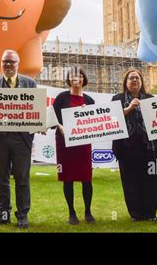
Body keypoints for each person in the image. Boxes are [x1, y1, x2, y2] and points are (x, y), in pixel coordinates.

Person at [0, 50, 37, 229]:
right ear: (1, 63)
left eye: (12, 62)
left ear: (18, 64)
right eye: (5, 62)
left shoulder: (29, 83)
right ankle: (3, 214)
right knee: (1, 179)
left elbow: (35, 110)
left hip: (21, 140)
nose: (8, 65)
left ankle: (22, 215)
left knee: (22, 178)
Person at [111, 68, 157, 222]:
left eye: (137, 78)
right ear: (125, 82)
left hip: (149, 148)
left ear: (141, 82)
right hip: (126, 148)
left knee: (150, 182)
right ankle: (136, 214)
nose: (134, 81)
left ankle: (150, 213)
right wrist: (129, 108)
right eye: (131, 78)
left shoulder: (150, 98)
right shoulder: (118, 99)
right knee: (130, 182)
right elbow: (112, 120)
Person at [53, 67, 95, 225]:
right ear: (69, 80)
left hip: (83, 144)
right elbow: (53, 118)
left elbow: (96, 121)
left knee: (86, 178)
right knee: (68, 178)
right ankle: (72, 212)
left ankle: (88, 212)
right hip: (64, 144)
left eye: (79, 76)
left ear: (83, 79)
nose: (76, 79)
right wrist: (60, 126)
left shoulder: (90, 100)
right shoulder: (61, 98)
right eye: (72, 76)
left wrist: (87, 115)